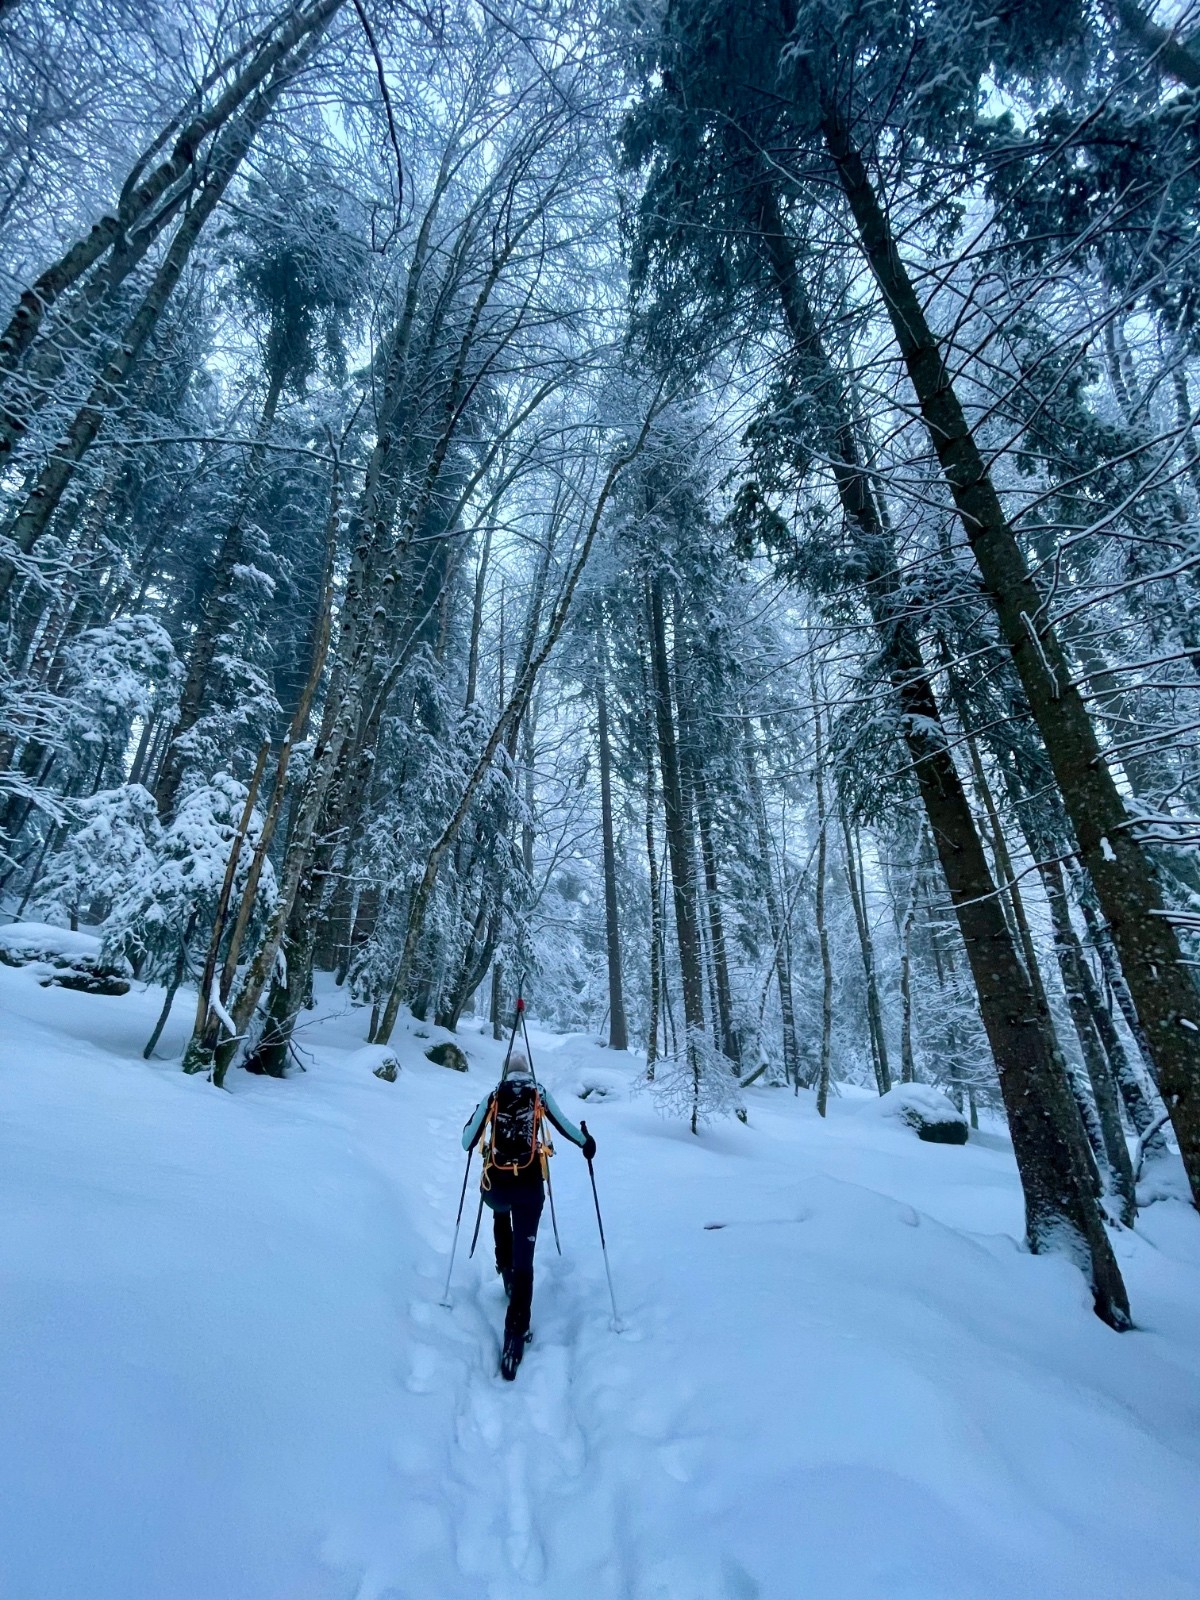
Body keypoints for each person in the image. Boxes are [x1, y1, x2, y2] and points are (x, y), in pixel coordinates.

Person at [461, 1050, 597, 1379]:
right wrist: (587, 1141)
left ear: (506, 1072)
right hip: (530, 1188)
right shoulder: (539, 1093)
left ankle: (503, 1268)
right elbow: (566, 1127)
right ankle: (515, 1334)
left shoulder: (493, 1095)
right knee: (527, 1262)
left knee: (498, 1212)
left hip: (496, 1188)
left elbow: (467, 1141)